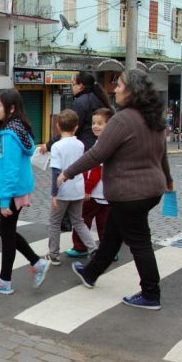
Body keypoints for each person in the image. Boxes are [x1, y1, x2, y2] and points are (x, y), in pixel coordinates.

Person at [58, 69, 173, 310]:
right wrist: (169, 181)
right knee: (112, 235)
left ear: (131, 91)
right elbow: (162, 156)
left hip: (129, 193)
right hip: (152, 189)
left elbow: (98, 153)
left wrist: (68, 172)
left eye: (119, 85)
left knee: (140, 242)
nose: (115, 89)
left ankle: (151, 294)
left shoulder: (123, 119)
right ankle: (90, 273)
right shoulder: (154, 119)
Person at [0, 89, 51, 295]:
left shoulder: (9, 135)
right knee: (6, 232)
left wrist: (4, 201)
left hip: (11, 192)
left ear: (11, 108)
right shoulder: (18, 128)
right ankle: (36, 263)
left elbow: (10, 170)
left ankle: (6, 280)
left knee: (6, 233)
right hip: (17, 190)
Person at [46, 109, 97, 266]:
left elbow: (56, 171)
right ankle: (92, 248)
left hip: (62, 190)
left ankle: (53, 254)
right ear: (76, 127)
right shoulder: (80, 144)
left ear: (58, 127)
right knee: (78, 221)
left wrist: (54, 194)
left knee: (55, 222)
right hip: (78, 189)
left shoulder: (57, 146)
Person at [66, 107, 115, 258]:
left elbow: (96, 171)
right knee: (105, 225)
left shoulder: (101, 145)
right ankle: (109, 252)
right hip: (108, 194)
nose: (95, 126)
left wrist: (87, 189)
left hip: (94, 194)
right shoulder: (110, 143)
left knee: (82, 220)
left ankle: (80, 247)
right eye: (94, 123)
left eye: (100, 123)